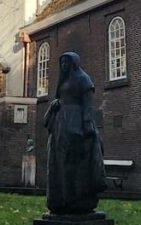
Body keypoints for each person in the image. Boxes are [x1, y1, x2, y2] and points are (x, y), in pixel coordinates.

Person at [43, 51, 106, 215]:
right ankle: (60, 199)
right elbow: (62, 97)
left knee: (75, 162)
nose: (63, 66)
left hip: (75, 124)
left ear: (74, 64)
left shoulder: (83, 79)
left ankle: (78, 199)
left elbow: (87, 105)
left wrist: (86, 124)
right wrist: (56, 104)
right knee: (59, 162)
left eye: (66, 63)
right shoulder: (64, 80)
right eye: (61, 63)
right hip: (61, 126)